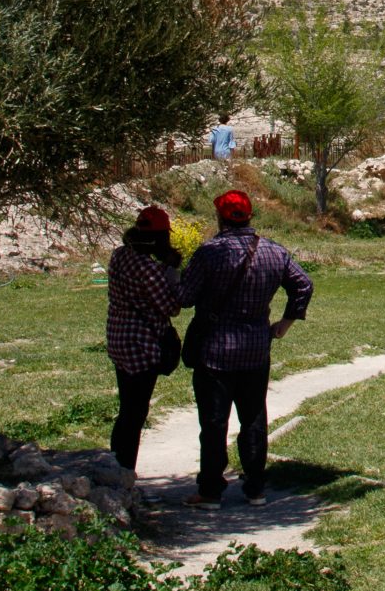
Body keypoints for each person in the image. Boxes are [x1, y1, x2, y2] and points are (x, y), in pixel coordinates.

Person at [178, 188, 312, 505]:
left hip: (215, 350)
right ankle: (255, 488)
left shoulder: (209, 252)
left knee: (213, 423)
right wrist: (284, 324)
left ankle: (210, 489)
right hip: (256, 348)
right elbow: (303, 284)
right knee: (253, 419)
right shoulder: (273, 251)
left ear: (220, 217)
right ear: (250, 216)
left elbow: (184, 298)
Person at [104, 205, 183, 473]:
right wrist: (171, 272)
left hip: (118, 337)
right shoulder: (148, 269)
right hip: (142, 344)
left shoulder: (119, 256)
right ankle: (124, 472)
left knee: (126, 410)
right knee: (136, 413)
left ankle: (114, 466)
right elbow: (170, 307)